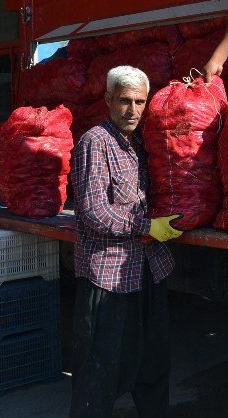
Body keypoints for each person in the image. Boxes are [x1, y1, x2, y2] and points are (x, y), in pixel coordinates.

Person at [69, 65, 183, 418]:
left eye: (139, 102)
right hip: (108, 275)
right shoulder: (95, 143)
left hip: (148, 270)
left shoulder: (140, 144)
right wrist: (148, 226)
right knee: (100, 366)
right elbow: (94, 212)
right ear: (107, 100)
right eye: (124, 101)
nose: (132, 110)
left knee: (153, 361)